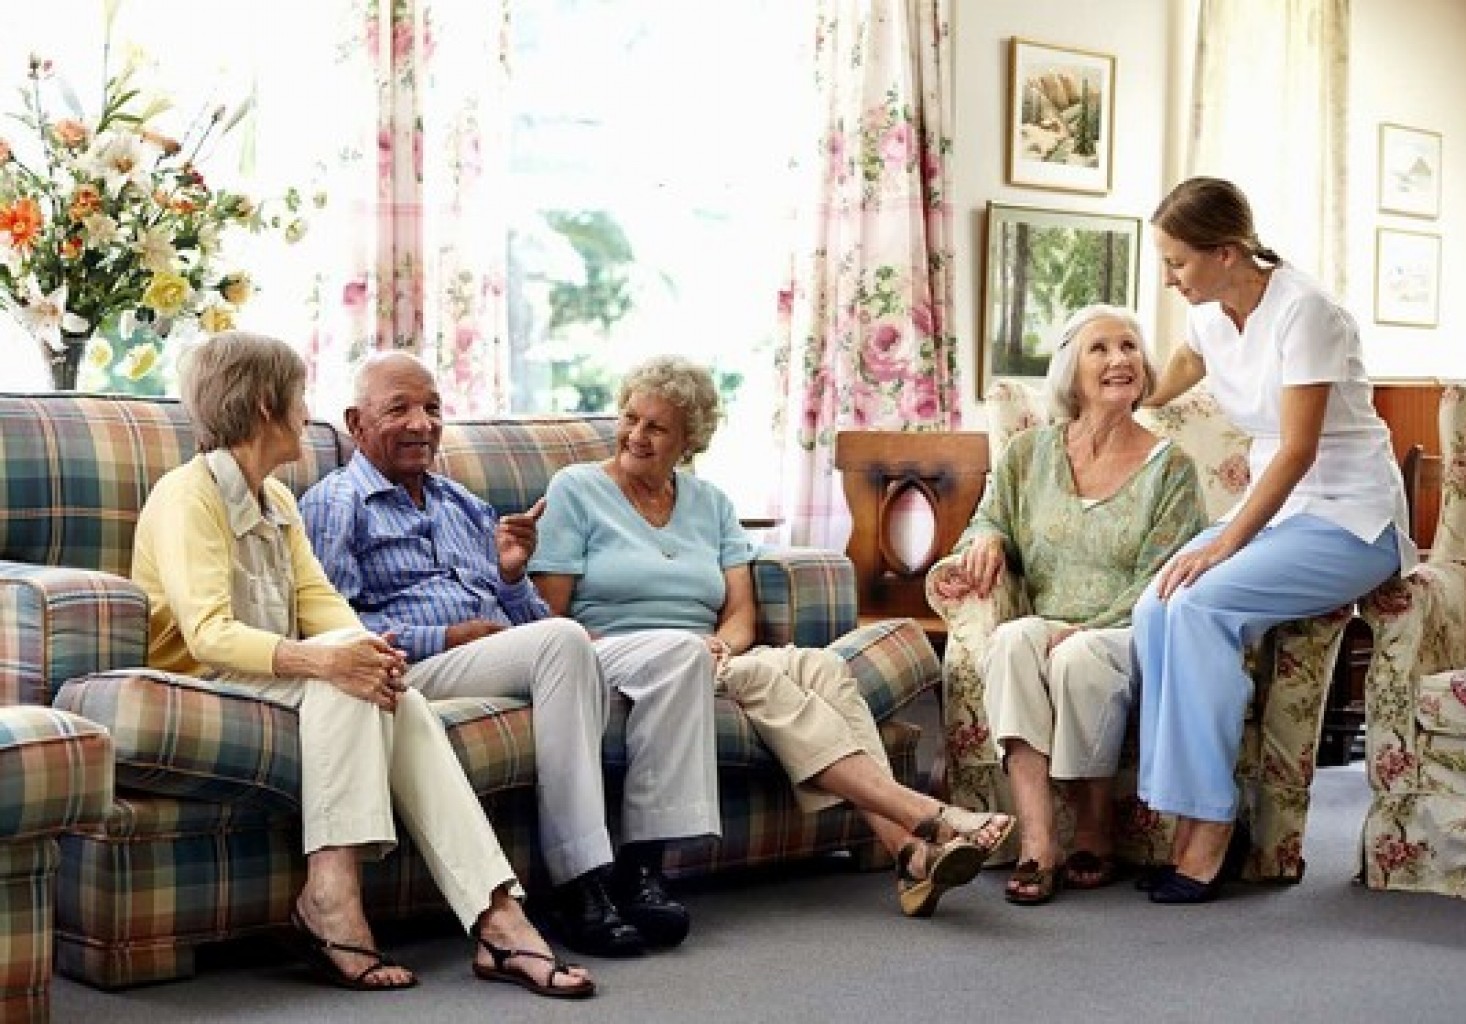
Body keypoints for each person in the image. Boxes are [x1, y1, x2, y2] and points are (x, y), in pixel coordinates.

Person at [133, 332, 594, 997]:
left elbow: (321, 601)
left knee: (385, 687)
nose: (307, 413)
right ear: (265, 405)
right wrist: (328, 660)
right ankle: (332, 897)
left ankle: (499, 916)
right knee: (343, 679)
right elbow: (207, 635)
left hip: (268, 677)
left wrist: (370, 655)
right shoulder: (186, 496)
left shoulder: (276, 499)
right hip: (201, 683)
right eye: (299, 397)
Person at [528, 355, 1015, 919]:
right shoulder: (577, 489)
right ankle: (926, 814)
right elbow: (550, 616)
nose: (636, 435)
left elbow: (741, 614)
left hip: (710, 654)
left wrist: (722, 646)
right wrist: (685, 651)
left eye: (656, 427)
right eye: (631, 418)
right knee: (761, 678)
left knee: (825, 669)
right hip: (622, 656)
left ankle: (908, 854)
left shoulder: (709, 504)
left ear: (688, 441)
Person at [300, 351, 719, 958]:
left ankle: (641, 870)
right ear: (355, 422)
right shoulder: (335, 503)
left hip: (498, 652)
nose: (421, 423)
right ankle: (579, 882)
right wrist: (446, 637)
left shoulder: (461, 503)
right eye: (399, 409)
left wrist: (512, 577)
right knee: (562, 641)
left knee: (679, 654)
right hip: (415, 667)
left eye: (432, 408)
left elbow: (532, 623)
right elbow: (331, 626)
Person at [1134, 177, 1414, 904]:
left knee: (1200, 604)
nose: (1168, 278)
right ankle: (1173, 815)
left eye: (1177, 262)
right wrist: (1131, 391)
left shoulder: (1306, 312)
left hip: (1351, 519)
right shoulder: (1210, 312)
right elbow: (1187, 365)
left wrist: (1224, 545)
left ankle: (1210, 828)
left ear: (1227, 252)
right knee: (1155, 605)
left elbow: (1297, 450)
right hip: (1285, 517)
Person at [937, 305, 1206, 906]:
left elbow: (1164, 578)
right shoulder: (1028, 453)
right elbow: (989, 516)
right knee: (1012, 640)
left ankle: (1093, 826)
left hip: (1128, 629)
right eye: (1100, 349)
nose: (1120, 360)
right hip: (1047, 620)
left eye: (1130, 347)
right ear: (1071, 371)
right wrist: (988, 537)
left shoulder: (1172, 470)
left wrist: (1086, 626)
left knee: (1077, 657)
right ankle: (1038, 841)